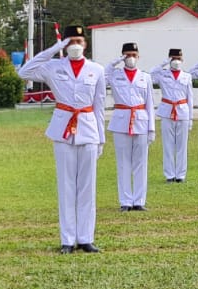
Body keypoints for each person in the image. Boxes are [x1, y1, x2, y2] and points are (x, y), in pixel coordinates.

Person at [18, 26, 107, 253]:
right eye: (70, 41)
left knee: (87, 188)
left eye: (78, 40)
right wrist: (54, 48)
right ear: (65, 45)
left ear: (85, 44)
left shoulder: (96, 69)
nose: (75, 45)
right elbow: (24, 72)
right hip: (63, 129)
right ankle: (67, 239)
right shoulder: (53, 67)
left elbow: (99, 106)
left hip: (87, 129)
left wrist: (101, 138)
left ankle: (86, 237)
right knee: (66, 186)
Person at [106, 41, 155, 211]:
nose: (131, 58)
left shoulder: (145, 77)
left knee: (141, 163)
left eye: (133, 55)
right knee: (123, 162)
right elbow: (103, 75)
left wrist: (151, 129)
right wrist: (115, 62)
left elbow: (149, 103)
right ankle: (125, 201)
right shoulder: (115, 75)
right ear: (123, 57)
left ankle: (139, 200)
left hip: (141, 120)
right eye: (127, 55)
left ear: (138, 56)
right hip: (121, 121)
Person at [150, 48, 193, 182]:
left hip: (182, 110)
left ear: (182, 59)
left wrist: (190, 117)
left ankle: (180, 175)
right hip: (167, 111)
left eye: (178, 58)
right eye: (173, 58)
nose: (176, 61)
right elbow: (150, 75)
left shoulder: (187, 76)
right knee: (168, 145)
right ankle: (169, 174)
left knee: (182, 145)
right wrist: (164, 63)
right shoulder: (162, 75)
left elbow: (190, 98)